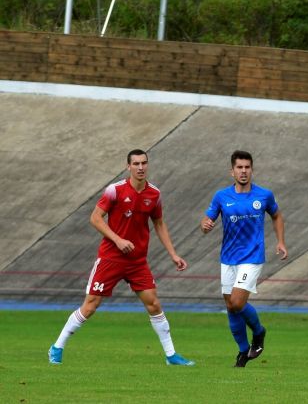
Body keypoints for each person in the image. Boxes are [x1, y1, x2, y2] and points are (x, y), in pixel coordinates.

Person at [48, 149, 194, 366]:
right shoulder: (114, 190)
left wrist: (173, 254)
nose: (141, 167)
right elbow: (95, 218)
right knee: (90, 305)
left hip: (137, 262)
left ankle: (171, 355)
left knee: (154, 304)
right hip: (111, 258)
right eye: (136, 164)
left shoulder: (154, 194)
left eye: (144, 163)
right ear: (128, 167)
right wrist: (117, 240)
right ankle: (57, 347)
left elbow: (159, 224)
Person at [201, 150, 287, 368]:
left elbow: (276, 215)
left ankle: (259, 332)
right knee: (230, 306)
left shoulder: (264, 195)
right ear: (232, 171)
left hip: (252, 256)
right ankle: (242, 351)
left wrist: (280, 242)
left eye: (247, 167)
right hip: (228, 257)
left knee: (238, 302)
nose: (243, 171)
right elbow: (206, 221)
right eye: (239, 167)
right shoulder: (221, 196)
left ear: (252, 170)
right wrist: (205, 225)